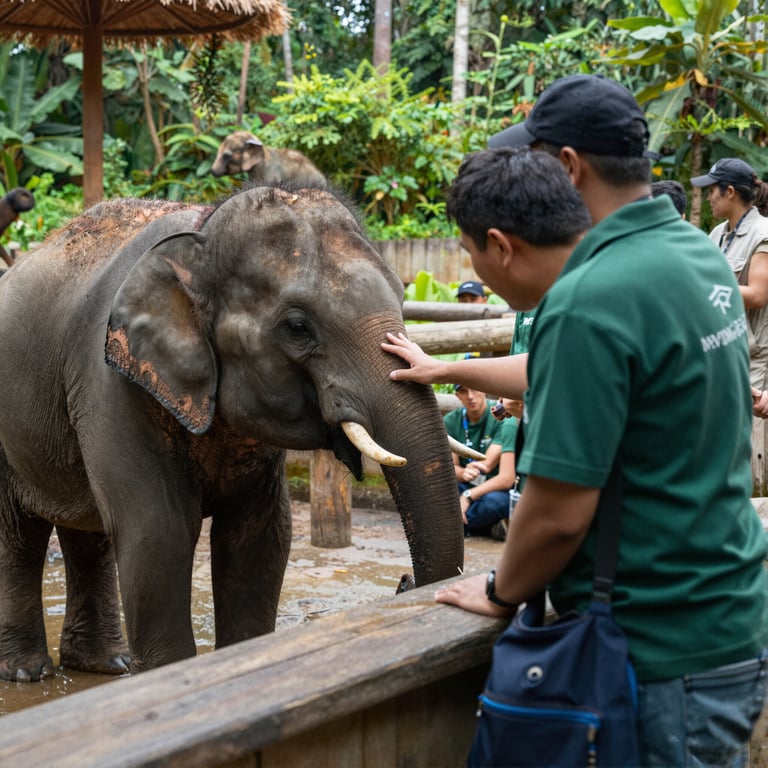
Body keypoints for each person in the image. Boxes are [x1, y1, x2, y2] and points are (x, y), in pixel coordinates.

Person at [384, 75, 768, 767]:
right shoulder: (690, 257)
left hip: (655, 649)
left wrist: (503, 588)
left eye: (534, 157)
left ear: (567, 168)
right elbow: (600, 376)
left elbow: (558, 514)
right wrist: (450, 370)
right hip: (724, 614)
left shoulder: (593, 296)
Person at [691, 158, 768, 388]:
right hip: (722, 351)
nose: (708, 198)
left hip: (753, 360)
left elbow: (757, 295)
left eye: (712, 190)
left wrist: (703, 287)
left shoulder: (762, 232)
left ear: (730, 192)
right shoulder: (717, 233)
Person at [444, 384, 514, 539]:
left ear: (484, 389)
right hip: (465, 484)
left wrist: (468, 496)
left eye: (474, 388)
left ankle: (452, 526)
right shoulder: (450, 421)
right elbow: (450, 467)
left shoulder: (501, 416)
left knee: (494, 503)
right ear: (457, 395)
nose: (470, 396)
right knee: (439, 491)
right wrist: (462, 473)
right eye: (463, 391)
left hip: (494, 487)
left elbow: (486, 465)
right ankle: (484, 527)